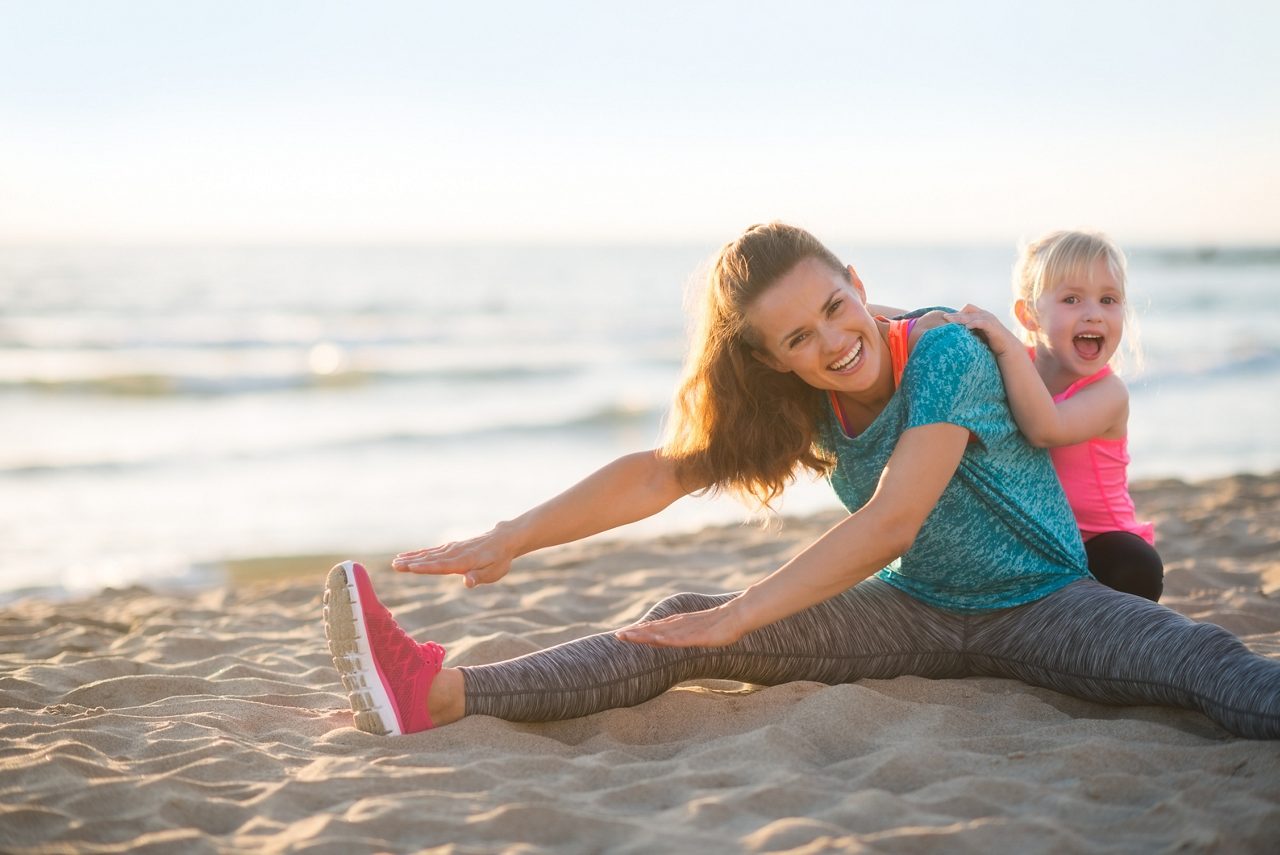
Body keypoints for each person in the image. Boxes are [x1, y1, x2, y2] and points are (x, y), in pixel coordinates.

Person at [323, 222, 1280, 739]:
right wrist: (510, 535)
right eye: (797, 338)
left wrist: (747, 613)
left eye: (835, 306)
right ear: (774, 359)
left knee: (1203, 663)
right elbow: (659, 474)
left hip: (1046, 601)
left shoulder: (944, 351)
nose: (832, 341)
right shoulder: (803, 402)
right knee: (679, 614)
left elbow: (895, 517)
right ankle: (442, 694)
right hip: (914, 612)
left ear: (858, 283)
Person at [944, 231, 1163, 601]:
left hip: (1099, 545)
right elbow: (931, 327)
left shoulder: (1108, 393)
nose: (1093, 312)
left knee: (1135, 563)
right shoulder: (1012, 367)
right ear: (1029, 315)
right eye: (1072, 299)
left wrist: (1006, 344)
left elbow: (1045, 428)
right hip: (1036, 538)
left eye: (1108, 299)